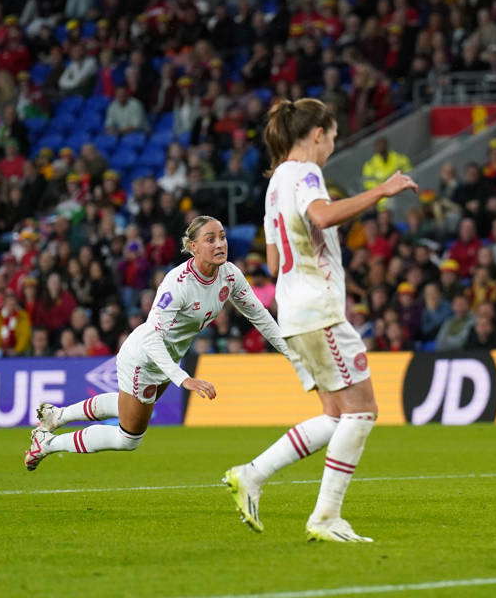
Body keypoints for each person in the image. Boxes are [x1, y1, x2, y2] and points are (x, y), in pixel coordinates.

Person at [223, 98, 416, 544]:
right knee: (363, 410)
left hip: (292, 310)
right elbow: (322, 215)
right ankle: (326, 517)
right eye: (331, 136)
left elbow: (272, 260)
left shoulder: (274, 185)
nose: (332, 145)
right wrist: (380, 192)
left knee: (335, 414)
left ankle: (251, 475)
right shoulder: (306, 173)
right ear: (315, 135)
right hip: (319, 309)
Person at [25, 216, 308, 469]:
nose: (220, 243)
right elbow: (151, 336)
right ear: (193, 246)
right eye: (210, 239)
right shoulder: (178, 284)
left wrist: (293, 354)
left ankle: (57, 415)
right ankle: (47, 444)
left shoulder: (230, 275)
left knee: (130, 405)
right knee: (128, 438)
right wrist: (183, 379)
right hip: (145, 357)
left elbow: (260, 316)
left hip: (168, 357)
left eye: (222, 236)